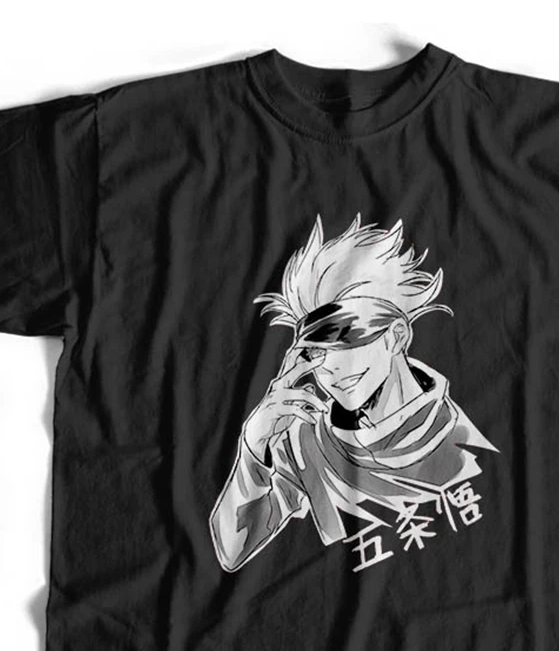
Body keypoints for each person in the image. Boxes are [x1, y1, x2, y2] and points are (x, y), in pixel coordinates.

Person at [209, 214, 498, 573]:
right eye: (313, 353)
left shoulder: (467, 427)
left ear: (395, 337)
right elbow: (231, 552)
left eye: (346, 340)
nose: (329, 367)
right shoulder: (304, 443)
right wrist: (253, 447)